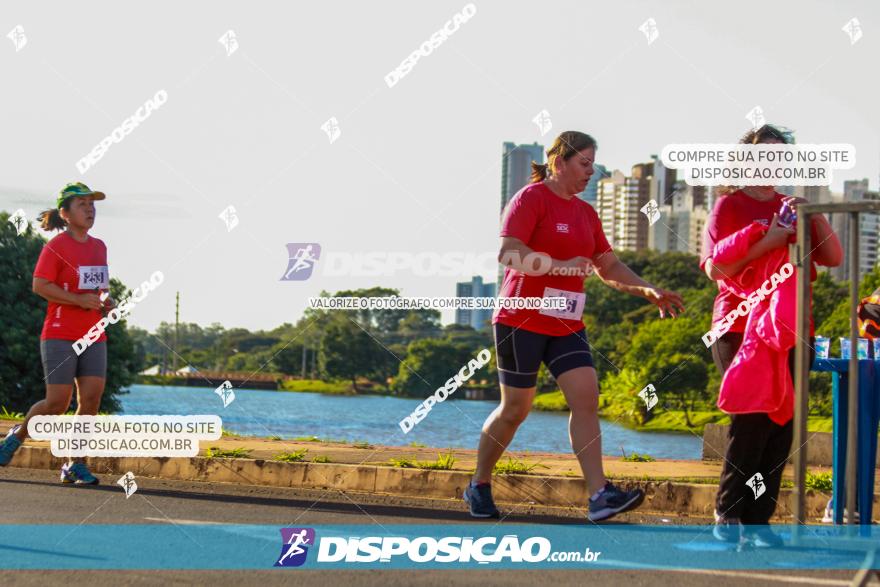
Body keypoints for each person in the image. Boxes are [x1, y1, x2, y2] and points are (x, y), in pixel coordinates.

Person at [464, 131, 686, 522]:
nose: (590, 172)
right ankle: (479, 483)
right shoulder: (530, 199)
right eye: (584, 163)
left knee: (586, 398)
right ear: (559, 162)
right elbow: (509, 253)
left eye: (593, 164)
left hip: (566, 321)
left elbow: (609, 267)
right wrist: (560, 266)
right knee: (515, 408)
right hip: (522, 316)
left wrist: (646, 289)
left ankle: (599, 495)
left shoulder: (586, 214)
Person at [701, 124, 843, 545]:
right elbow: (715, 269)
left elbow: (833, 258)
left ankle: (758, 519)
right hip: (740, 323)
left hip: (790, 326)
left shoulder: (792, 206)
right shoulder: (728, 205)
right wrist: (770, 240)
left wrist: (813, 215)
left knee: (782, 425)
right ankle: (728, 511)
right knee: (752, 418)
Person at [0, 182, 116, 485]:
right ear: (65, 214)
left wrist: (107, 302)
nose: (90, 209)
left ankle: (74, 464)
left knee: (90, 400)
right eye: (82, 204)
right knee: (57, 403)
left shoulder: (99, 246)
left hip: (93, 334)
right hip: (60, 333)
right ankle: (16, 436)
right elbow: (40, 285)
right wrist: (78, 300)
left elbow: (99, 287)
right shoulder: (56, 247)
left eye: (92, 204)